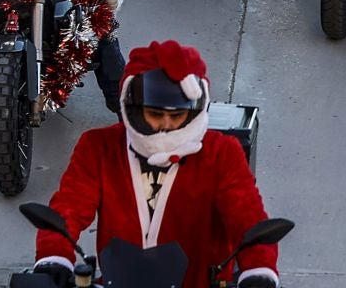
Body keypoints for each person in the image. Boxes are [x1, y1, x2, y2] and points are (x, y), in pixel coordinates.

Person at [31, 41, 279, 288]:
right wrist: (54, 257)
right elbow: (69, 207)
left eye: (177, 115)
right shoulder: (98, 146)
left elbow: (246, 215)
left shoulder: (221, 152)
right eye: (156, 114)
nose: (166, 125)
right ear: (134, 108)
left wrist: (259, 268)